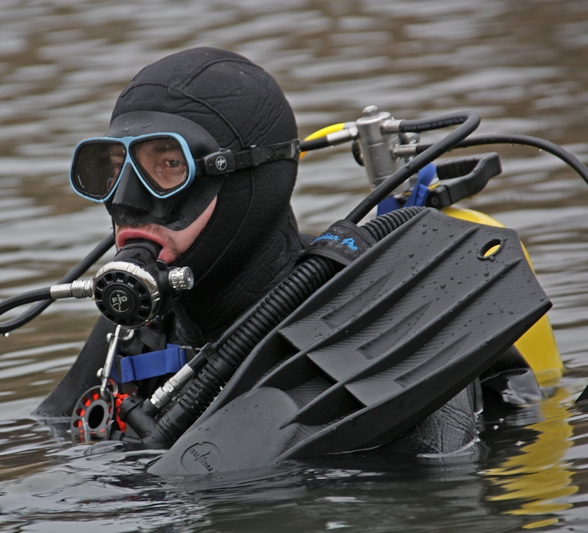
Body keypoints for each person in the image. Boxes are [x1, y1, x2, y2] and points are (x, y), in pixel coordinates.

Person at [34, 47, 538, 456]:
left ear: (248, 185)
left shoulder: (384, 321)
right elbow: (43, 440)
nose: (126, 200)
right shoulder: (132, 327)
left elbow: (443, 499)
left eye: (167, 165)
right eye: (111, 167)